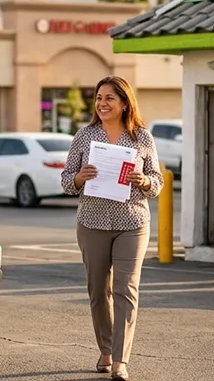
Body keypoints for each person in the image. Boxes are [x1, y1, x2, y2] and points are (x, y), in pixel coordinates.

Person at [61, 75, 164, 381]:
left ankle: (120, 360)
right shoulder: (84, 136)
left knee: (126, 290)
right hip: (92, 222)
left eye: (109, 98)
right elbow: (66, 180)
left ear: (124, 103)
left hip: (132, 222)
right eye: (99, 98)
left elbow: (156, 183)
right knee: (97, 292)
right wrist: (80, 178)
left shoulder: (142, 138)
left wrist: (143, 181)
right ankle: (105, 349)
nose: (102, 104)